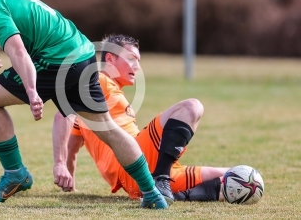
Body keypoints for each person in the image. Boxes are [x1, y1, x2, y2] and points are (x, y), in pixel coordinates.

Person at [0, 0, 168, 208]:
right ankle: (152, 194)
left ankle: (15, 174)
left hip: (58, 62)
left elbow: (18, 52)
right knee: (109, 130)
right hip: (82, 55)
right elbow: (19, 26)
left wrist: (32, 91)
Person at [52, 34, 229, 202]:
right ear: (110, 59)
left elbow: (72, 147)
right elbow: (62, 114)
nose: (137, 66)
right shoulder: (99, 81)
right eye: (131, 59)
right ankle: (161, 180)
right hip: (137, 158)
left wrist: (69, 184)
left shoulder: (94, 107)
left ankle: (176, 192)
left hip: (139, 178)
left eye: (138, 61)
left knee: (239, 176)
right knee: (191, 107)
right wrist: (60, 165)